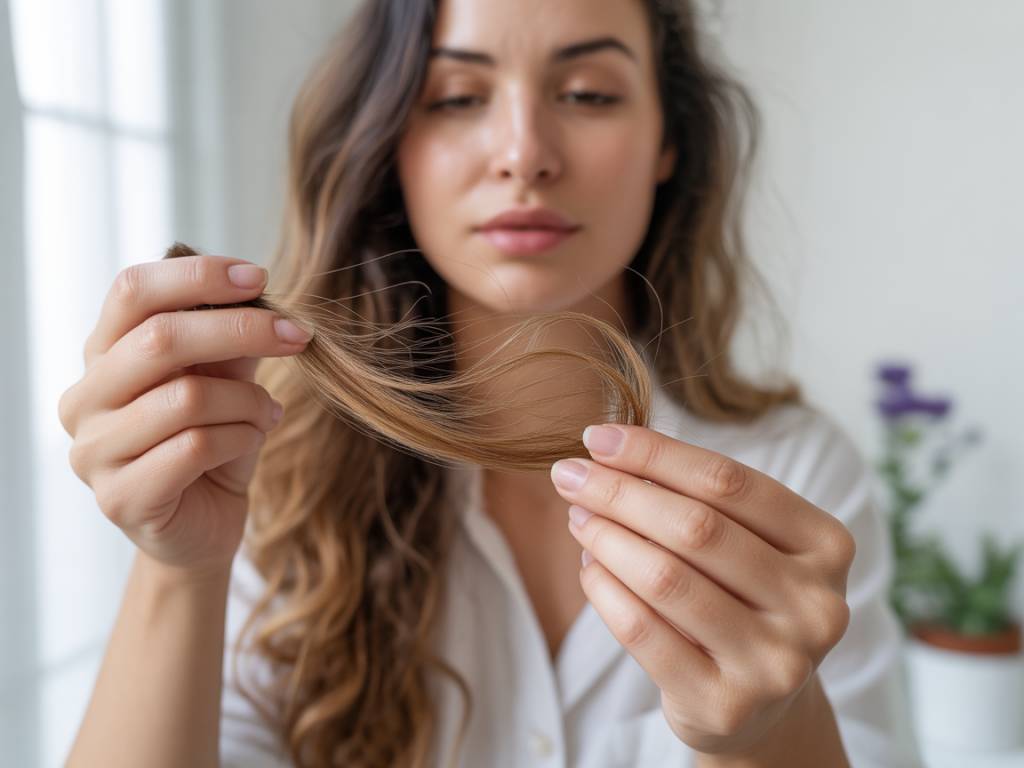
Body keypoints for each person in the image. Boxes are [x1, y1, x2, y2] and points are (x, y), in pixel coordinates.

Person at [59, 0, 924, 766]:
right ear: (388, 139)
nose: (524, 154)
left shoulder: (797, 482)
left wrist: (766, 733)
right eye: (457, 97)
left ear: (668, 141)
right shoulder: (260, 464)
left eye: (588, 93)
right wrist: (177, 570)